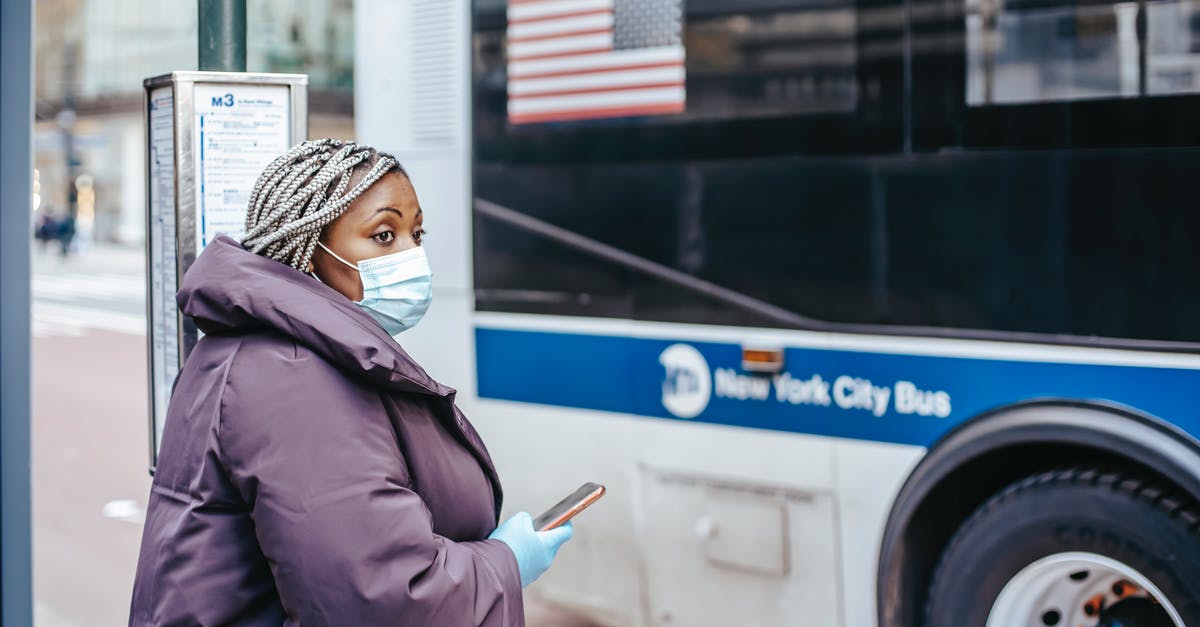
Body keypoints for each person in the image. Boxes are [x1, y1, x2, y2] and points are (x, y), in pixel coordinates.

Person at [130, 139, 573, 626]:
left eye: (416, 234)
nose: (411, 256)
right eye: (384, 235)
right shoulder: (292, 376)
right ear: (306, 248)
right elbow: (376, 601)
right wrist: (504, 563)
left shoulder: (277, 352)